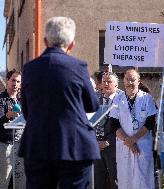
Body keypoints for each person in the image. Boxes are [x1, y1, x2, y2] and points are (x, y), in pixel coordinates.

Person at [18, 17, 100, 189]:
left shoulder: (29, 68)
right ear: (71, 45)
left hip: (37, 145)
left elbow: (26, 110)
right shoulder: (78, 66)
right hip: (74, 146)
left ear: (45, 41)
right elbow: (92, 104)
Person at [109, 69, 157, 189]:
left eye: (133, 79)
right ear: (123, 81)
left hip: (142, 145)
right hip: (124, 146)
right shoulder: (117, 99)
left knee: (143, 181)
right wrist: (129, 142)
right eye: (127, 79)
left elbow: (150, 122)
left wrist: (135, 138)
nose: (130, 82)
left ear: (139, 81)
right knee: (126, 181)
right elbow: (114, 124)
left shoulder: (147, 98)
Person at [94, 72, 122, 189]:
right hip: (97, 148)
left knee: (116, 182)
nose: (105, 83)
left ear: (116, 85)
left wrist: (107, 142)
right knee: (99, 183)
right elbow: (92, 124)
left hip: (114, 148)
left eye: (109, 81)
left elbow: (122, 126)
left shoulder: (121, 101)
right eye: (104, 81)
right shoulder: (96, 100)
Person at [0, 69, 23, 189]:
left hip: (21, 146)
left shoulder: (23, 100)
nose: (16, 84)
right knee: (3, 182)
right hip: (5, 146)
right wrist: (7, 116)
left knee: (20, 183)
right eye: (13, 80)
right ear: (7, 81)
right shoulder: (1, 99)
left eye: (18, 81)